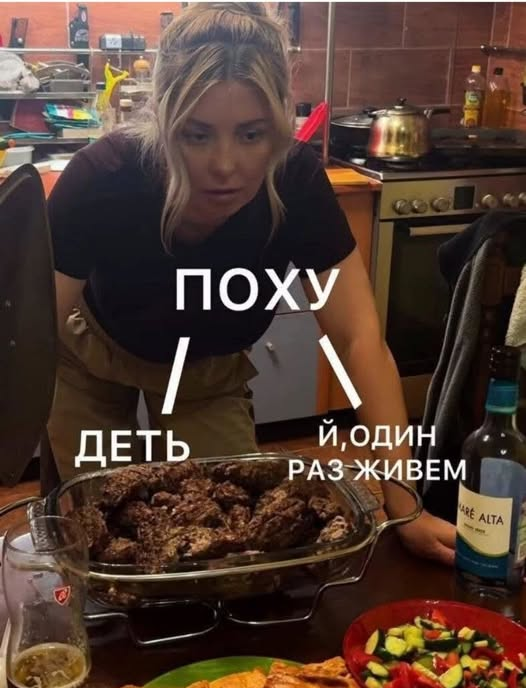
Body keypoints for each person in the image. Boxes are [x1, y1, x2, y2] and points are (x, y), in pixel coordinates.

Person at [46, 1, 456, 566]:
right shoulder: (102, 177)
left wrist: (405, 509)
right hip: (92, 354)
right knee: (100, 537)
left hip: (208, 370)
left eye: (251, 134)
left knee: (232, 539)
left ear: (282, 122)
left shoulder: (298, 183)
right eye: (196, 135)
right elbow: (27, 342)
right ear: (163, 119)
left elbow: (358, 340)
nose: (225, 165)